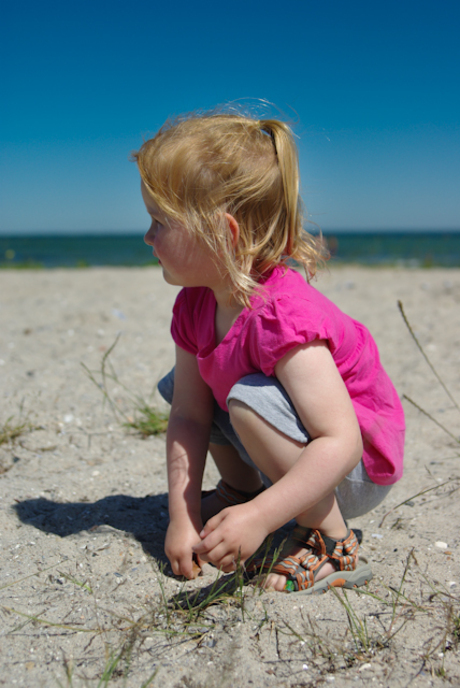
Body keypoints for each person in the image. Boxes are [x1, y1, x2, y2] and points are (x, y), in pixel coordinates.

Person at [132, 112, 405, 594]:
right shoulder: (194, 303)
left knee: (248, 397)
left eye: (160, 222)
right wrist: (183, 513)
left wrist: (261, 519)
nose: (148, 238)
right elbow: (190, 417)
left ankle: (331, 541)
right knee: (184, 387)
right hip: (293, 446)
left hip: (353, 469)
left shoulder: (283, 315)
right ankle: (243, 487)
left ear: (223, 233)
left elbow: (341, 441)